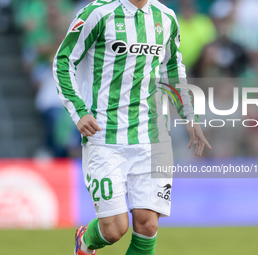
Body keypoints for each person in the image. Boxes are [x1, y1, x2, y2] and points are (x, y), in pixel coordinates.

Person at [53, 0, 211, 254]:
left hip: (151, 135)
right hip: (104, 135)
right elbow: (63, 62)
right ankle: (84, 241)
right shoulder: (97, 13)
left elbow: (173, 68)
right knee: (114, 229)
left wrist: (189, 115)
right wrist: (79, 111)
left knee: (148, 226)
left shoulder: (166, 17)